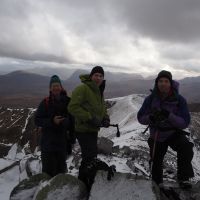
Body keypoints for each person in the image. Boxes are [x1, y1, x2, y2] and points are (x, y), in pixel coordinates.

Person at [137, 70, 194, 189]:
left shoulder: (179, 100)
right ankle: (157, 184)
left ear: (171, 83)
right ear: (157, 83)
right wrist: (151, 118)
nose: (163, 83)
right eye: (160, 81)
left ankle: (183, 178)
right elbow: (140, 118)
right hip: (157, 133)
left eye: (166, 81)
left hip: (172, 132)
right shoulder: (150, 99)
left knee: (186, 147)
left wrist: (169, 115)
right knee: (156, 160)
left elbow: (184, 122)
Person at [68, 66, 115, 191]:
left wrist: (105, 118)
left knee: (88, 157)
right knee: (90, 157)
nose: (98, 78)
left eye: (101, 76)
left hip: (93, 130)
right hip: (83, 130)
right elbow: (72, 107)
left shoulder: (99, 90)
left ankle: (82, 183)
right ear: (91, 76)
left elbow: (102, 107)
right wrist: (89, 117)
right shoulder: (83, 88)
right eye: (96, 75)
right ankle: (86, 184)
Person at [35, 75, 75, 177]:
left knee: (61, 173)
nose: (56, 88)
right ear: (50, 88)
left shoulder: (68, 101)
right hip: (48, 145)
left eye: (57, 85)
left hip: (62, 144)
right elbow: (37, 120)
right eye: (53, 86)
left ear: (61, 87)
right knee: (48, 173)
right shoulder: (45, 103)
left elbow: (73, 120)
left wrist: (71, 138)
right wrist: (52, 122)